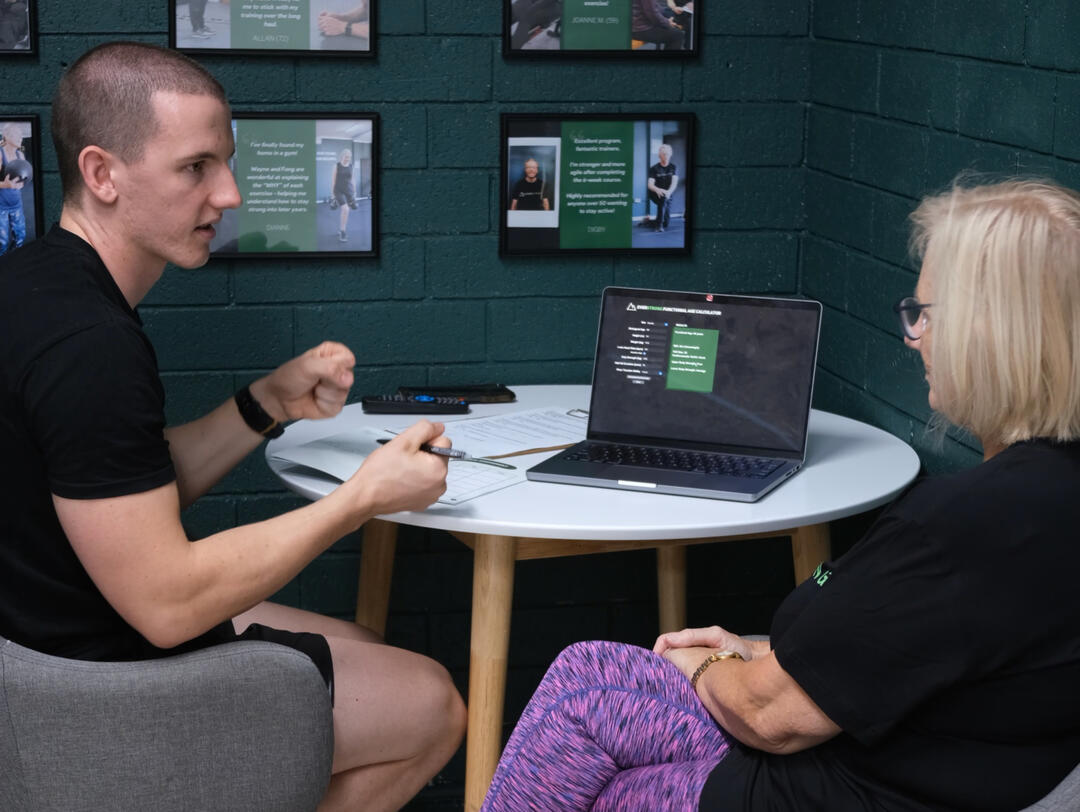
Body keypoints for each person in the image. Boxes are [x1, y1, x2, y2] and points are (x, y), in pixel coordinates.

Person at [479, 178, 1080, 811]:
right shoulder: (1044, 498)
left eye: (927, 315)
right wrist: (755, 651)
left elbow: (771, 718)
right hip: (895, 758)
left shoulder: (955, 530)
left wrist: (706, 665)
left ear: (992, 334)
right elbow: (917, 654)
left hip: (823, 790)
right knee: (588, 676)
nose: (914, 336)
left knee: (598, 749)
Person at [0, 42, 465, 812]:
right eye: (196, 167)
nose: (230, 194)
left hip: (63, 638)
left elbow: (123, 490)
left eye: (228, 163)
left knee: (367, 647)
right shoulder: (90, 347)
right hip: (93, 696)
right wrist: (361, 498)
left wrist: (265, 403)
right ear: (102, 173)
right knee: (433, 704)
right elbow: (167, 604)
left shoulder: (35, 284)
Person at [0, 121, 29, 254]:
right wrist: (5, 185)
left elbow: (24, 176)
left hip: (16, 204)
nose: (20, 138)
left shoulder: (20, 155)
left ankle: (15, 263)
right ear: (7, 136)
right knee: (3, 242)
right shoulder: (1, 155)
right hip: (1, 207)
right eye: (17, 134)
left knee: (20, 238)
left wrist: (21, 183)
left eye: (21, 135)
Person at [647, 143, 678, 232]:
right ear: (660, 156)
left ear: (670, 154)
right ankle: (659, 226)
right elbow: (650, 185)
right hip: (655, 193)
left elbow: (674, 183)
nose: (666, 156)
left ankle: (649, 222)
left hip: (668, 194)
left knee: (666, 223)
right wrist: (658, 189)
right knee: (663, 197)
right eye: (664, 154)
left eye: (667, 154)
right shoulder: (654, 168)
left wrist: (669, 192)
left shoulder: (673, 167)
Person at [331, 148, 357, 242]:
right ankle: (343, 231)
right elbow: (333, 181)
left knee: (349, 210)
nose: (348, 159)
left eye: (349, 157)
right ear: (342, 156)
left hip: (348, 190)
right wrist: (332, 195)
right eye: (346, 157)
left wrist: (355, 191)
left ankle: (341, 228)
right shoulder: (336, 166)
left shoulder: (351, 166)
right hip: (338, 190)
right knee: (345, 209)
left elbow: (353, 179)